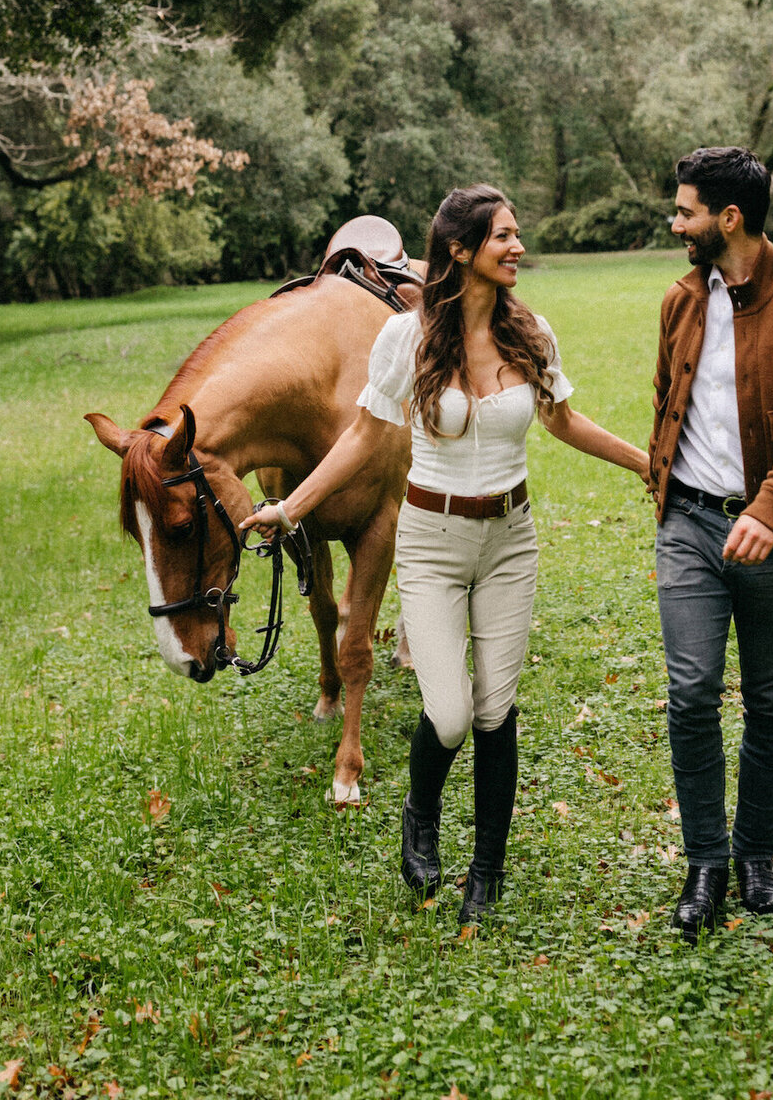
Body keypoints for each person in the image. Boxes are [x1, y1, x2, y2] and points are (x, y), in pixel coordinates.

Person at [249, 183, 650, 923]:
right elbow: (366, 435)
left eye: (517, 234)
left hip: (510, 541)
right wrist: (291, 506)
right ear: (460, 250)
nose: (518, 247)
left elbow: (565, 423)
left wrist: (648, 463)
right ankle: (421, 809)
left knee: (497, 710)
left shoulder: (531, 332)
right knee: (453, 713)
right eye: (504, 236)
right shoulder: (407, 337)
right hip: (431, 544)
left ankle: (487, 873)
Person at [648, 146, 773, 944]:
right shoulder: (680, 301)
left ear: (728, 219)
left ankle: (756, 853)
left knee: (769, 702)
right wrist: (668, 494)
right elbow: (667, 397)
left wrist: (768, 510)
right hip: (690, 526)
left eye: (686, 211)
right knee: (692, 692)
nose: (676, 223)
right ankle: (706, 861)